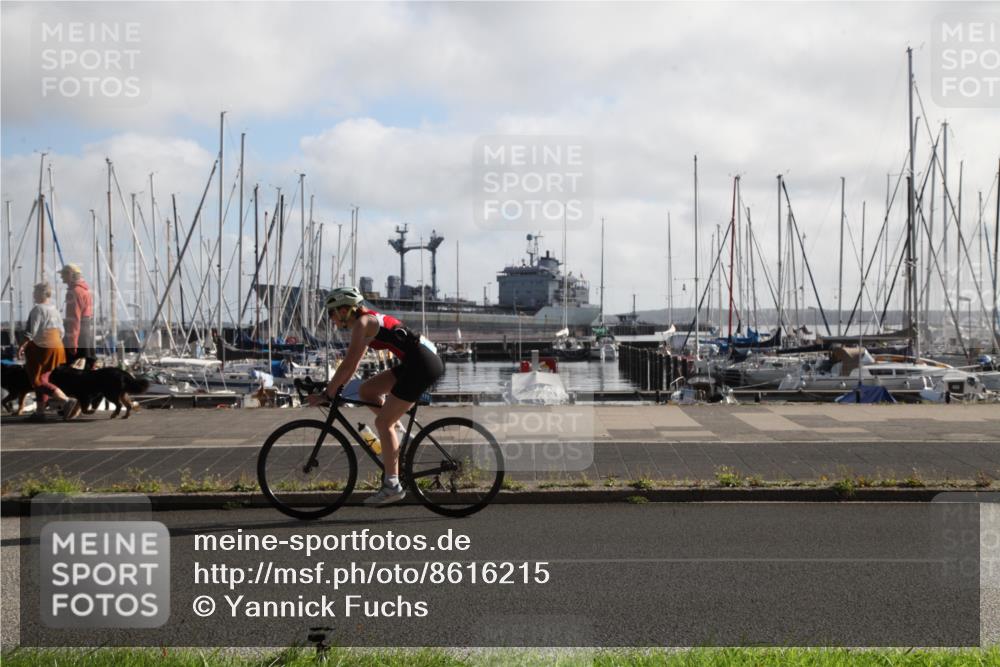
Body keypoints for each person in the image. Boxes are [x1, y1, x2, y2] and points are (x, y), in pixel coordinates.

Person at [308, 286, 444, 505]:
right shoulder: (367, 322)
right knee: (366, 391)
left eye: (331, 313)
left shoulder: (363, 323)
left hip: (421, 366)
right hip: (417, 362)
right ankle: (400, 436)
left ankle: (392, 486)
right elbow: (352, 364)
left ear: (344, 310)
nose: (331, 318)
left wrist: (327, 394)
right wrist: (332, 388)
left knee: (382, 422)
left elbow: (349, 365)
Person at [18, 282, 80, 421]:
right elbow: (62, 332)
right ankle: (40, 413)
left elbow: (31, 332)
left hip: (41, 348)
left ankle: (67, 401)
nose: (33, 294)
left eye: (35, 292)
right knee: (43, 379)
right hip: (56, 347)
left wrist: (22, 346)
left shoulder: (37, 309)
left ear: (42, 293)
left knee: (37, 380)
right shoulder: (54, 310)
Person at [59, 263, 96, 369]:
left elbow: (74, 319)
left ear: (70, 275)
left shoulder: (74, 292)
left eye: (63, 274)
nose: (61, 277)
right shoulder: (85, 290)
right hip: (86, 334)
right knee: (87, 367)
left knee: (70, 369)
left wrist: (73, 343)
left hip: (78, 335)